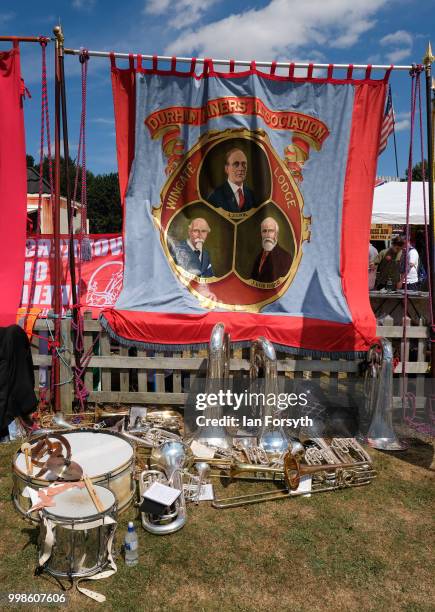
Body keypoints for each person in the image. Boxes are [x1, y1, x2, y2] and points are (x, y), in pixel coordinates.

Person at [208, 148, 256, 213]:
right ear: (226, 169)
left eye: (244, 164)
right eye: (236, 164)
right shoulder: (215, 197)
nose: (241, 168)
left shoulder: (252, 196)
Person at [251, 217, 292, 283]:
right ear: (261, 234)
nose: (267, 235)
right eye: (264, 231)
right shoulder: (258, 257)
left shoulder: (286, 258)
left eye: (271, 231)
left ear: (276, 234)